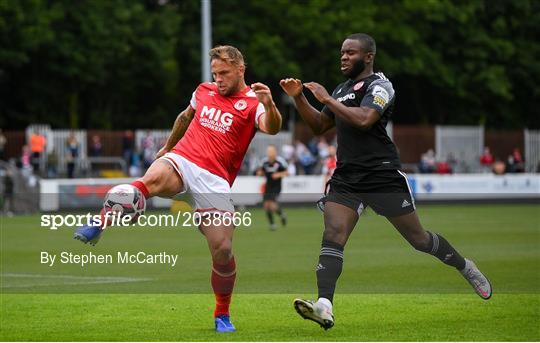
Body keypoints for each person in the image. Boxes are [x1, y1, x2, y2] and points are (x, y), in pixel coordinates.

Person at [280, 33, 492, 330]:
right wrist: (299, 97)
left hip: (382, 175)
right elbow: (318, 126)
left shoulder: (380, 85)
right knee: (333, 234)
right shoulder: (341, 89)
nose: (343, 57)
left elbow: (366, 118)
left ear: (368, 57)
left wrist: (326, 98)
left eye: (350, 52)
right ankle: (324, 306)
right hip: (347, 177)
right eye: (342, 52)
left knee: (419, 240)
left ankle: (464, 266)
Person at [74, 45, 283, 333]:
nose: (218, 79)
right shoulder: (203, 90)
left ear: (240, 70)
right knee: (146, 183)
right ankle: (99, 222)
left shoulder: (252, 102)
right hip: (183, 160)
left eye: (224, 73)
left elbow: (271, 127)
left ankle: (222, 314)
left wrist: (270, 103)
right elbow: (184, 118)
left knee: (222, 249)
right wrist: (168, 149)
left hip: (215, 180)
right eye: (215, 73)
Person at [256, 145, 288, 230]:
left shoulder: (280, 161)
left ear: (275, 152)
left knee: (271, 204)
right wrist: (260, 173)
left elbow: (287, 172)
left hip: (277, 186)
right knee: (266, 205)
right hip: (268, 186)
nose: (270, 153)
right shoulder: (264, 162)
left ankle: (280, 213)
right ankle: (272, 223)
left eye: (271, 151)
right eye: (268, 151)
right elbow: (261, 171)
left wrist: (279, 174)